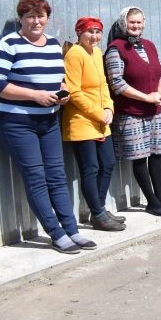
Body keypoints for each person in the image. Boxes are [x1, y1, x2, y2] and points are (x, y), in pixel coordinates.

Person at [0, 0, 97, 253]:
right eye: (30, 16)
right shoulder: (9, 44)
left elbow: (55, 79)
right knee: (36, 177)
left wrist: (63, 91)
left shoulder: (53, 44)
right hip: (17, 122)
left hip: (48, 121)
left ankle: (72, 230)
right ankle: (56, 234)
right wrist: (35, 95)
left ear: (47, 18)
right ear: (21, 19)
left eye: (41, 16)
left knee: (57, 176)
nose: (36, 21)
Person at [105, 6, 161, 216]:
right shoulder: (115, 48)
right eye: (131, 22)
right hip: (131, 112)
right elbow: (116, 83)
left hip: (154, 110)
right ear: (123, 23)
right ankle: (152, 201)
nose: (136, 26)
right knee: (140, 157)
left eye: (139, 22)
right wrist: (146, 97)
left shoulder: (149, 45)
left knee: (155, 155)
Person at [61, 16, 124, 231]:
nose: (94, 36)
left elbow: (104, 84)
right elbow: (74, 92)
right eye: (90, 32)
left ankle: (99, 209)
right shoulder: (75, 54)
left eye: (98, 32)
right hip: (81, 121)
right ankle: (97, 214)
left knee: (108, 164)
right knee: (90, 169)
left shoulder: (97, 53)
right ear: (79, 33)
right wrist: (98, 112)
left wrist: (108, 108)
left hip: (100, 120)